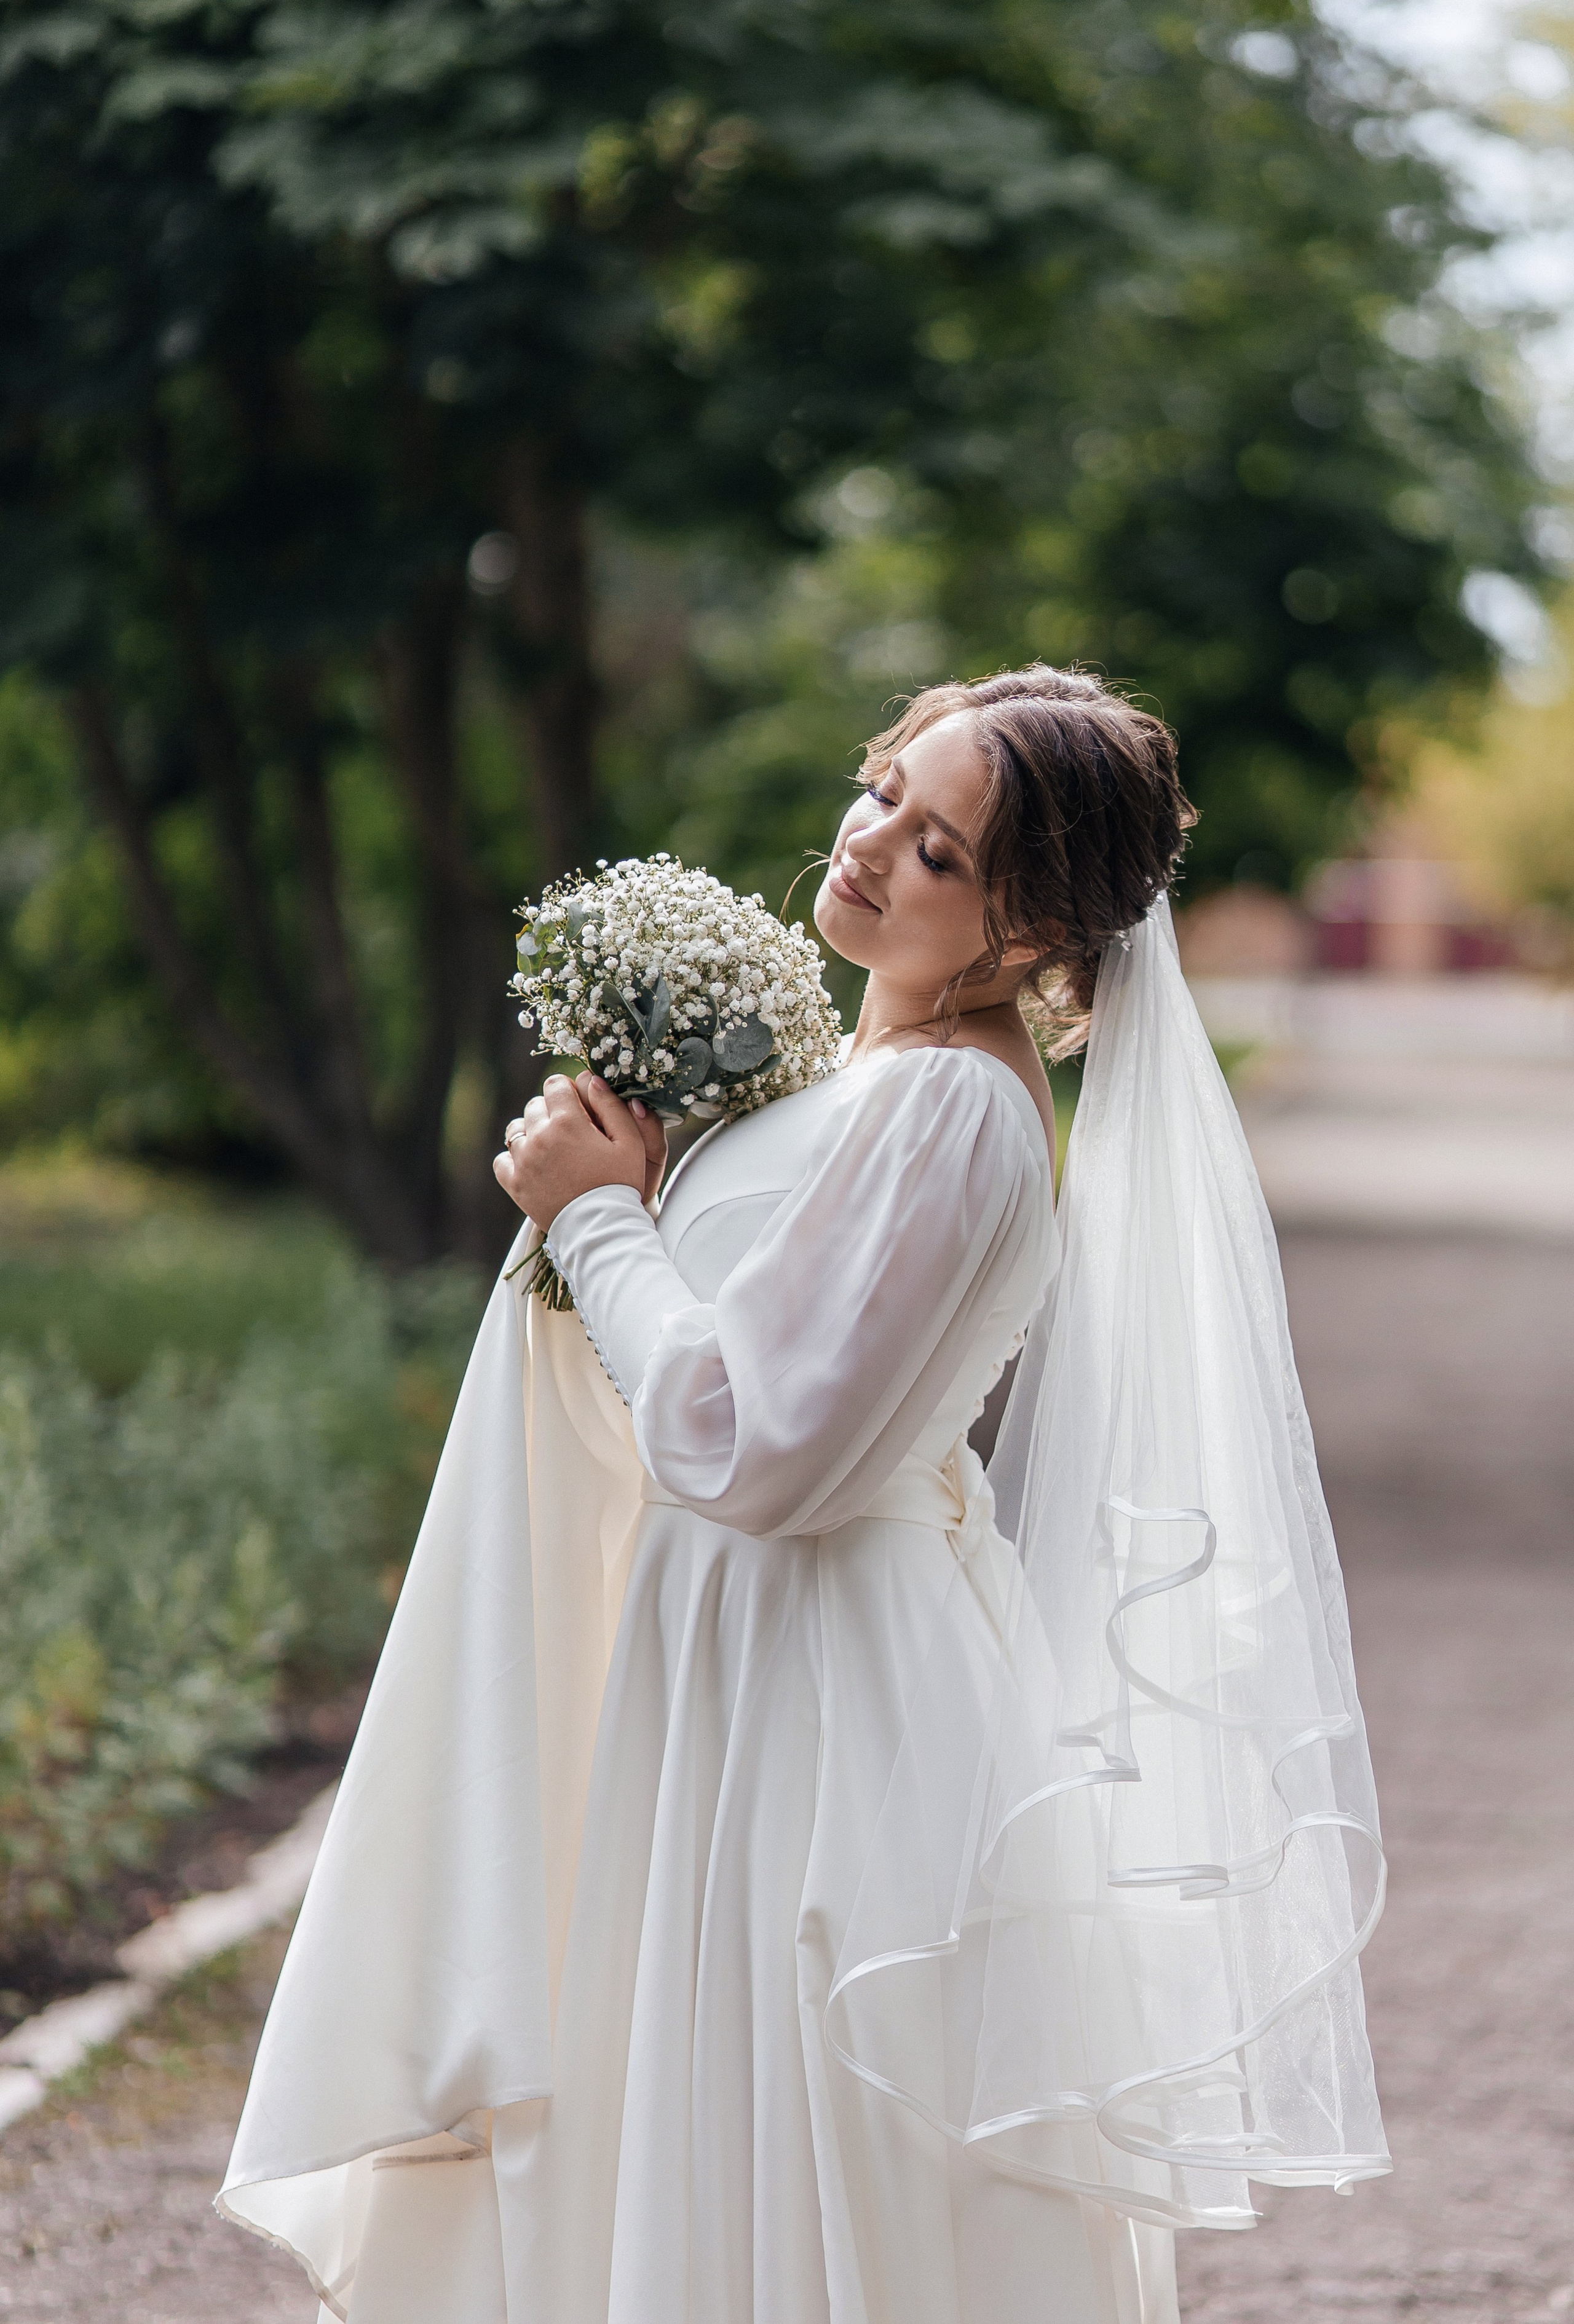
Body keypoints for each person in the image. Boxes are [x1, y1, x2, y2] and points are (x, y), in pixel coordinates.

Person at [219, 666, 1388, 2324]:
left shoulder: (948, 1109)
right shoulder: (868, 1075)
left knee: (788, 2148)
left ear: (1029, 927)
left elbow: (754, 1449)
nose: (873, 845)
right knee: (699, 2142)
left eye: (940, 851)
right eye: (889, 794)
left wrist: (595, 1216)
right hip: (736, 1662)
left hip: (819, 1698)